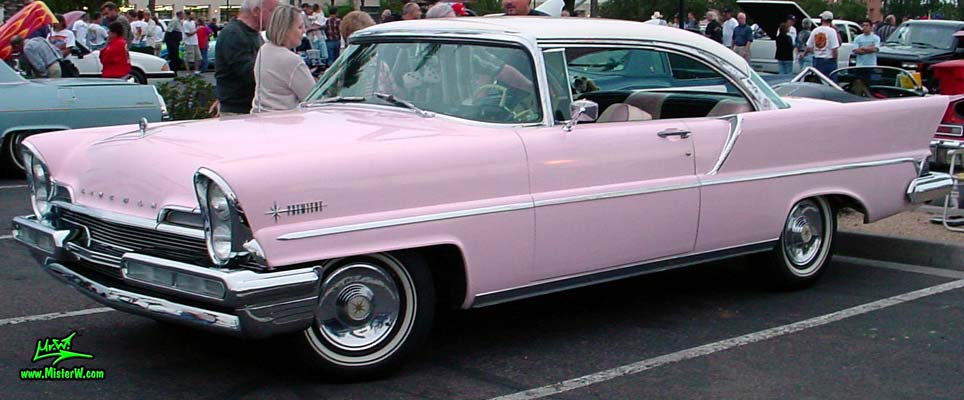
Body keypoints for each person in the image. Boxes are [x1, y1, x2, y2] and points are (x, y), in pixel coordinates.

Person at [215, 0, 281, 115]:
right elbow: (250, 73)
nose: (277, 17)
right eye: (272, 11)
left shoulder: (253, 34)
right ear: (256, 11)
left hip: (249, 109)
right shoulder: (234, 34)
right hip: (238, 112)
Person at [251, 4, 315, 113]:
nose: (304, 31)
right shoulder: (292, 60)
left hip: (260, 116)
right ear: (286, 30)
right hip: (285, 120)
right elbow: (313, 98)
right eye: (300, 27)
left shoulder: (264, 50)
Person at [807, 11, 840, 77]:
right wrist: (835, 60)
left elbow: (809, 47)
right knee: (830, 81)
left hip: (817, 60)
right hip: (829, 60)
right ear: (831, 20)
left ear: (822, 19)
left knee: (817, 81)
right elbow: (834, 49)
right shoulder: (832, 31)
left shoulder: (815, 30)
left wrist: (816, 52)